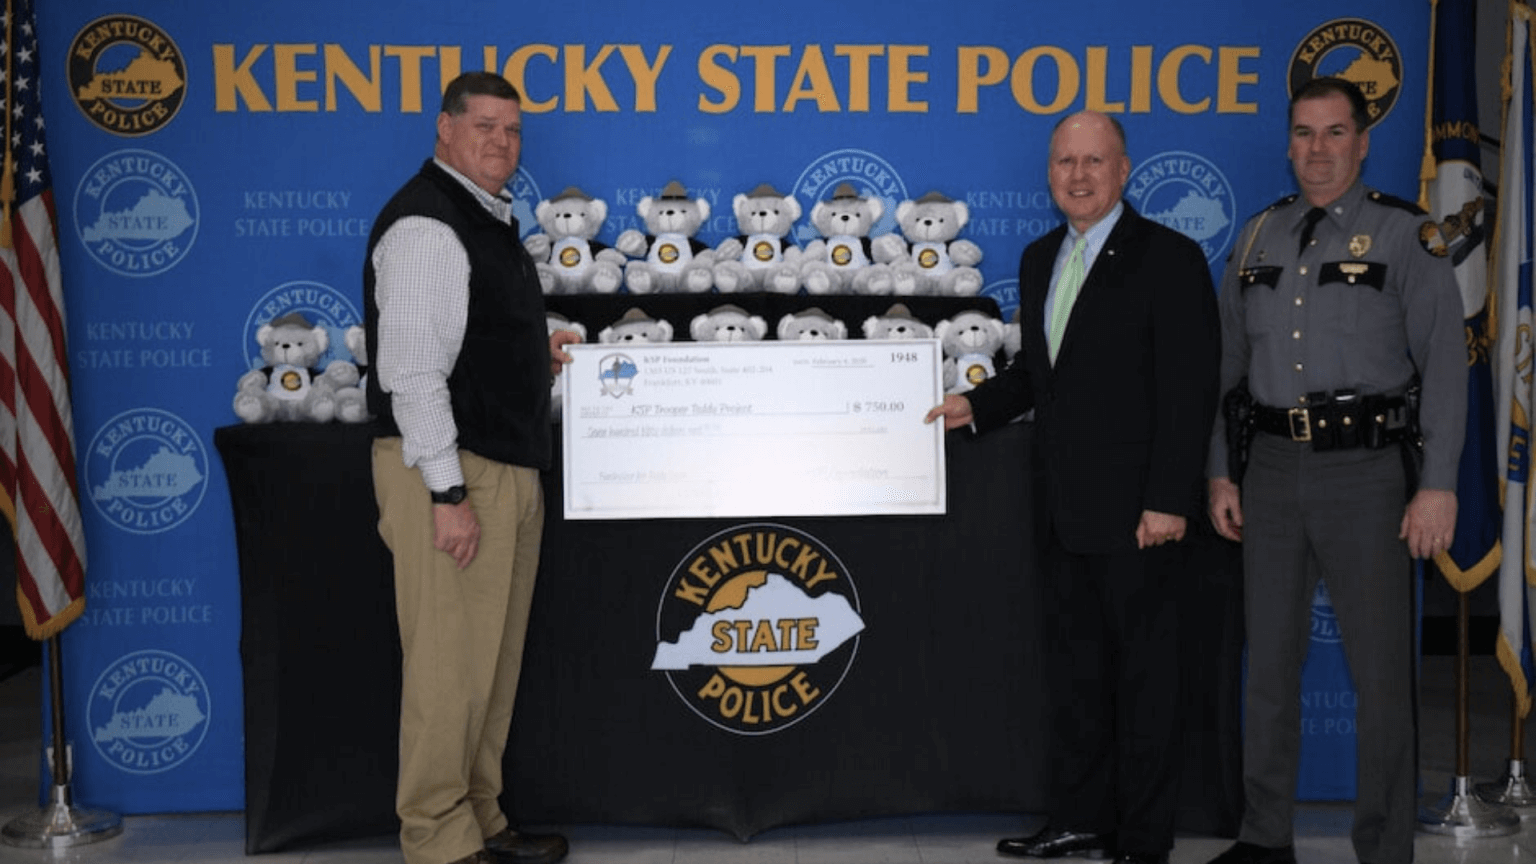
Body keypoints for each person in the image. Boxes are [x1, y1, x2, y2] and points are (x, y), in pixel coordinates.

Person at [925, 110, 1220, 864]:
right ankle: (1081, 819)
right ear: (1050, 173)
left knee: (1146, 685)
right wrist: (973, 406)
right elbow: (1039, 375)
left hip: (1141, 517)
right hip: (1061, 512)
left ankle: (1142, 841)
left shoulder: (1169, 258)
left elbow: (1190, 389)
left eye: (1094, 161)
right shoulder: (1040, 258)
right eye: (1065, 162)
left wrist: (1167, 500)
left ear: (1124, 170)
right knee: (1079, 680)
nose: (1078, 176)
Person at [1204, 77, 1463, 864]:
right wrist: (1220, 472)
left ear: (1362, 141)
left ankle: (1384, 848)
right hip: (1271, 469)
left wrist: (1438, 485)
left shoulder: (1405, 235)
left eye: (1335, 132)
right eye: (1304, 133)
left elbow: (1446, 367)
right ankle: (1263, 838)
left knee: (1380, 676)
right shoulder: (1258, 237)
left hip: (1368, 473)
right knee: (1268, 669)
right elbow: (1225, 371)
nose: (1318, 149)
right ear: (1288, 143)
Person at [363, 70, 578, 864]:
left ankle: (479, 818)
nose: (501, 141)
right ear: (445, 128)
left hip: (501, 465)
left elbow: (465, 343)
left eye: (512, 130)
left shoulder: (484, 217)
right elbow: (414, 372)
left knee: (489, 664)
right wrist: (447, 491)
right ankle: (436, 837)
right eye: (484, 125)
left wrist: (531, 356)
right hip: (455, 472)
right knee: (449, 667)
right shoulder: (428, 223)